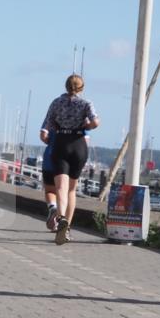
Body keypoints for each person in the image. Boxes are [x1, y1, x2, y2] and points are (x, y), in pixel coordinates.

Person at [39, 74, 101, 245]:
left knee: (60, 188)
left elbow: (47, 125)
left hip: (61, 143)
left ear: (66, 86)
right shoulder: (86, 103)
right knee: (72, 190)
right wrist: (86, 125)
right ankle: (67, 228)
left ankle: (60, 218)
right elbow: (96, 122)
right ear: (81, 88)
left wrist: (59, 127)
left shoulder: (56, 102)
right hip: (79, 144)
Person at [41, 130, 59, 231]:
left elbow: (43, 136)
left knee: (50, 190)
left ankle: (53, 207)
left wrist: (52, 141)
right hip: (69, 158)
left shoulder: (52, 114)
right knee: (66, 192)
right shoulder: (81, 115)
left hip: (50, 157)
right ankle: (63, 225)